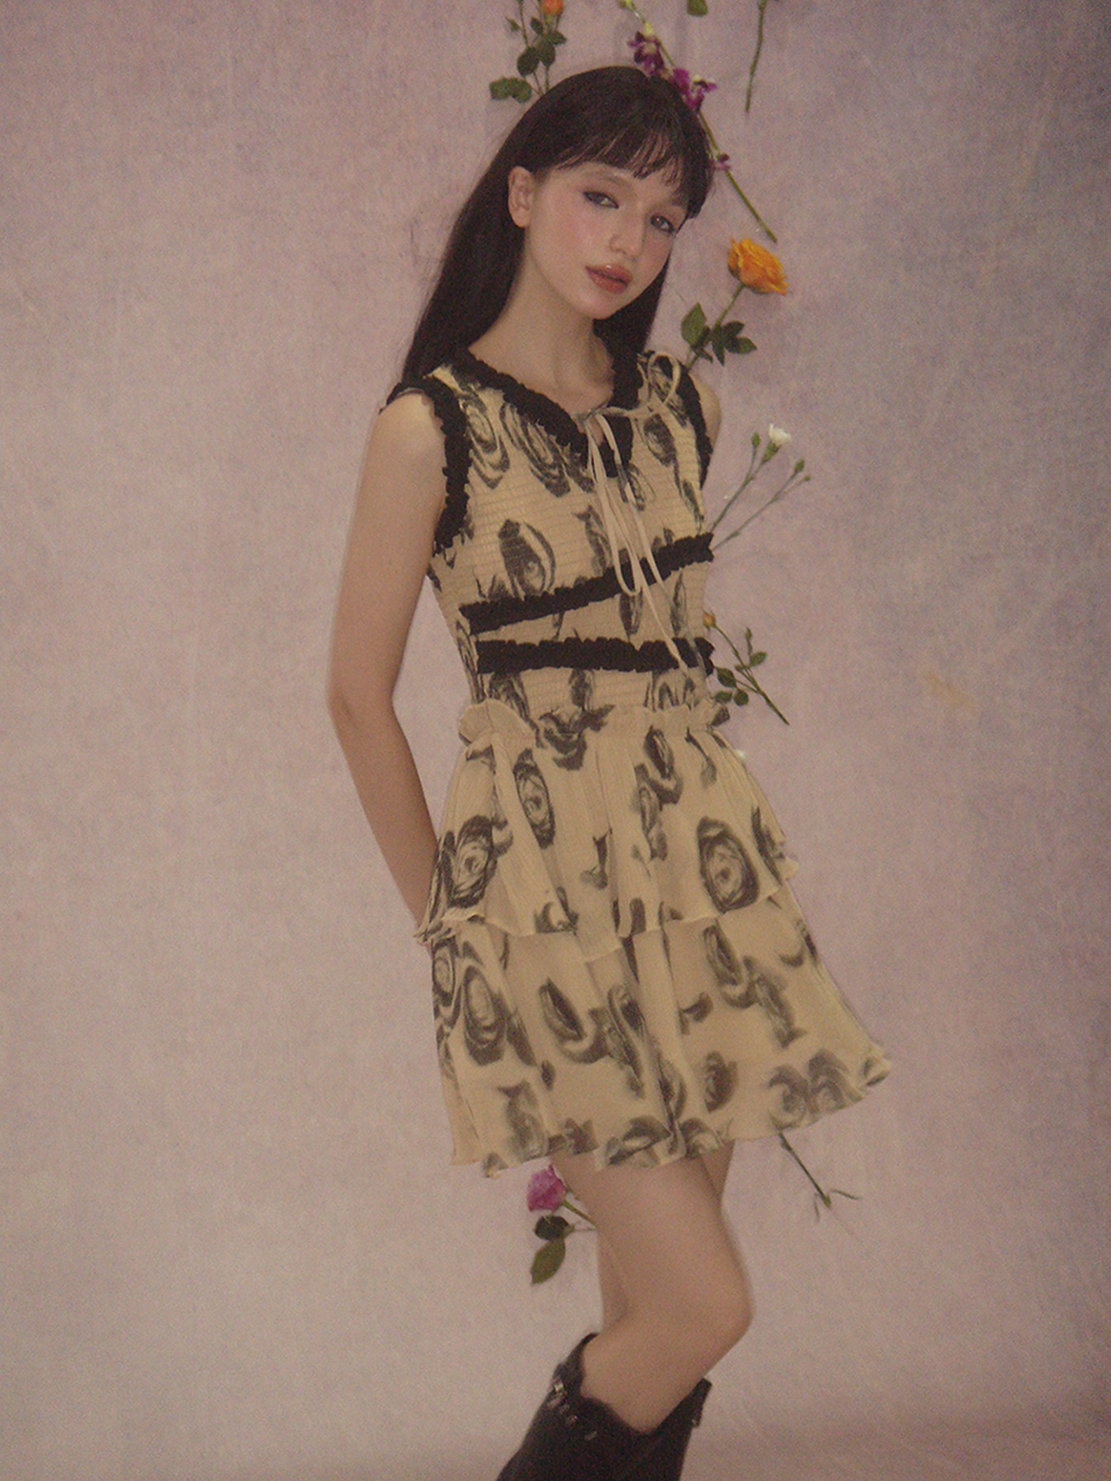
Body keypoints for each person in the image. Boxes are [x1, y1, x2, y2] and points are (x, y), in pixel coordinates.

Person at [328, 64, 889, 1481]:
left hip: (697, 892)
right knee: (707, 1308)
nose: (627, 241)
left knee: (655, 1317)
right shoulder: (430, 430)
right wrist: (449, 923)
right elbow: (353, 696)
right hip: (538, 912)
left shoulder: (678, 412)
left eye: (661, 217)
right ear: (522, 195)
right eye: (599, 196)